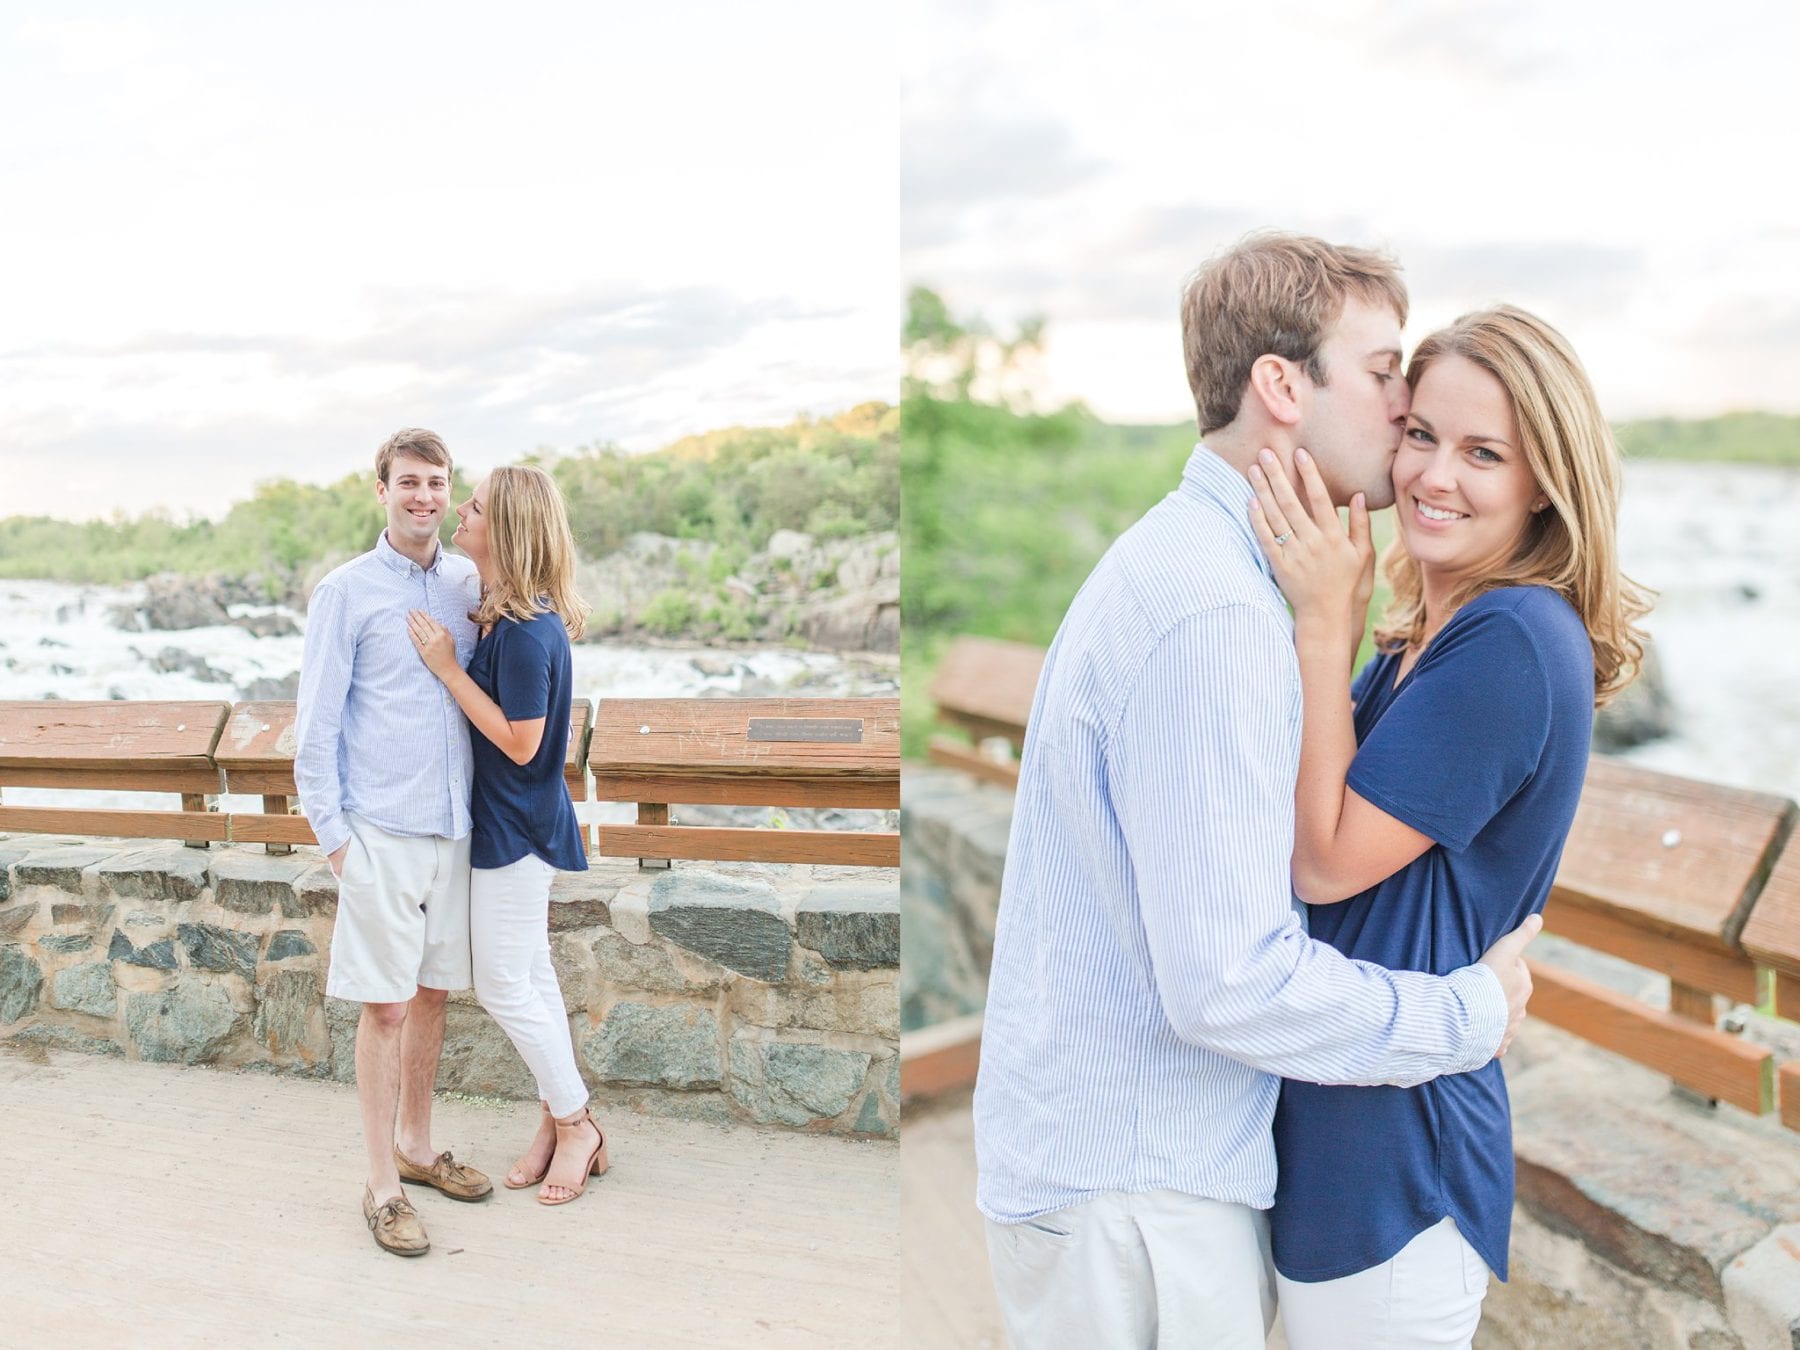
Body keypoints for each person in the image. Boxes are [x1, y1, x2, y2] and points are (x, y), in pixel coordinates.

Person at [971, 233, 1544, 1348]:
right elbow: (1227, 984)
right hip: (1140, 1192)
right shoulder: (1217, 617)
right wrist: (1466, 1014)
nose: (1404, 403)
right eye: (1384, 373)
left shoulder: (1191, 566)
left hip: (1107, 1173)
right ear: (1282, 385)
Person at [1252, 307, 1650, 1346]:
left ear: (1545, 484)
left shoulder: (1513, 638)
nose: (1434, 476)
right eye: (1421, 434)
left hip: (1399, 1157)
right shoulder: (1420, 638)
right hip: (1345, 1115)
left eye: (1484, 453)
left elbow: (1327, 862)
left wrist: (1320, 621)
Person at [295, 427, 493, 1260]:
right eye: (408, 482)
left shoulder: (468, 582)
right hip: (379, 831)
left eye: (437, 482)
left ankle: (418, 1146)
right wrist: (341, 846)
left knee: (435, 995)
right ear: (381, 491)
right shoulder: (344, 592)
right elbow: (315, 732)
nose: (424, 497)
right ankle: (380, 1187)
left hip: (457, 825)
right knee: (385, 1008)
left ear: (451, 491)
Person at [406, 464, 608, 1206]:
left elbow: (523, 744)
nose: (460, 509)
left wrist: (446, 668)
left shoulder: (525, 633)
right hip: (512, 823)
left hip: (519, 830)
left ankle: (576, 1123)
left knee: (500, 984)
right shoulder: (503, 613)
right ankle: (560, 1122)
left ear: (509, 529)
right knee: (532, 979)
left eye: (477, 506)